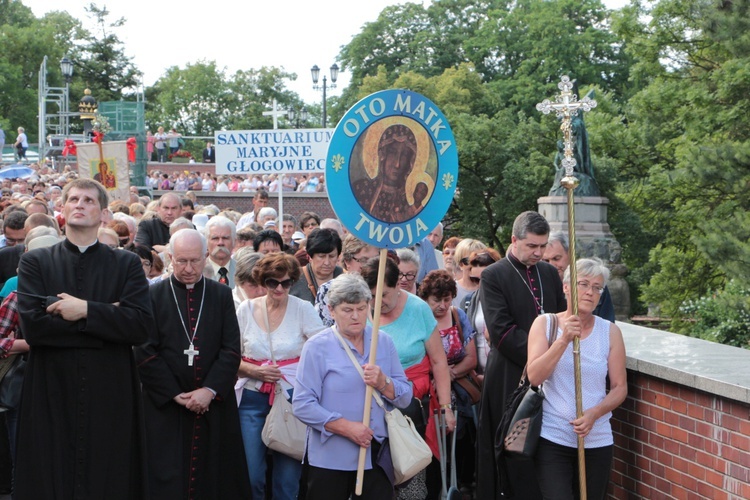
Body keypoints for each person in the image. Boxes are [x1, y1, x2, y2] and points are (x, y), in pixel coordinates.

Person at [15, 178, 154, 499]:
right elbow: (34, 328)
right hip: (51, 388)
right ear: (62, 209)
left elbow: (140, 325)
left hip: (110, 390)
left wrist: (83, 310)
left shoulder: (127, 263)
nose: (80, 204)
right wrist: (107, 316)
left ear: (104, 213)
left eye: (89, 200)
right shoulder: (35, 261)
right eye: (74, 199)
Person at [135, 229, 250, 498]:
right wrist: (176, 394)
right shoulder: (153, 296)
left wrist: (208, 390)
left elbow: (232, 350)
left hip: (213, 405)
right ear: (170, 258)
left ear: (206, 257)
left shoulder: (221, 295)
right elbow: (144, 350)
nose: (188, 269)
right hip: (165, 406)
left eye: (195, 261)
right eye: (181, 261)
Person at [293, 273, 413, 499]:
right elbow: (302, 404)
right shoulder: (317, 347)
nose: (356, 316)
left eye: (361, 308)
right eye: (348, 310)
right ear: (331, 310)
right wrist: (347, 428)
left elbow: (405, 396)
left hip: (376, 454)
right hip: (330, 457)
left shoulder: (383, 341)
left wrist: (383, 383)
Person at [476, 211, 566, 500]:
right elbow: (501, 331)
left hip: (550, 375)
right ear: (514, 240)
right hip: (510, 375)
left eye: (543, 246)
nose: (539, 253)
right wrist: (543, 355)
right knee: (511, 449)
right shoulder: (493, 275)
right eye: (532, 246)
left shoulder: (550, 273)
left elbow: (563, 317)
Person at [527, 258, 627, 499]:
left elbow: (619, 387)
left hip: (597, 438)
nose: (590, 292)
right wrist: (563, 340)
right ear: (566, 287)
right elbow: (534, 375)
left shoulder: (610, 332)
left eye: (597, 287)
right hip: (553, 436)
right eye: (583, 284)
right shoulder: (546, 324)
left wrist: (594, 413)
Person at [360, 256, 455, 499]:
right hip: (367, 400)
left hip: (411, 400)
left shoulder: (417, 308)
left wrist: (446, 406)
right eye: (371, 295)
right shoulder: (360, 309)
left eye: (384, 294)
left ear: (397, 286)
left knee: (409, 474)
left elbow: (438, 361)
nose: (377, 302)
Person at [235, 253, 324, 500]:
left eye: (286, 283)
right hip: (251, 398)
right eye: (273, 282)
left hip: (292, 399)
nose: (280, 288)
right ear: (263, 282)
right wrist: (254, 371)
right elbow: (229, 355)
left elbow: (323, 350)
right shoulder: (246, 309)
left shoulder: (303, 309)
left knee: (287, 480)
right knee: (252, 475)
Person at [418, 269, 478, 494]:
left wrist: (448, 373)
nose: (442, 305)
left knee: (461, 439)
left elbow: (471, 358)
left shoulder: (457, 316)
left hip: (458, 390)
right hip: (428, 390)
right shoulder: (420, 317)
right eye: (436, 300)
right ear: (425, 299)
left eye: (447, 299)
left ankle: (460, 484)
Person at [353, 124, 422, 223]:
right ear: (383, 155)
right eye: (393, 153)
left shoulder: (408, 201)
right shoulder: (363, 189)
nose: (397, 164)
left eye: (404, 156)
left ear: (410, 162)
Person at [543, 231, 616, 322]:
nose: (552, 265)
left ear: (570, 254)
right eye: (545, 261)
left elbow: (608, 322)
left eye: (556, 258)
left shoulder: (596, 285)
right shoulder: (538, 285)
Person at [314, 234, 378, 327]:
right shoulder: (328, 290)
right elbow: (322, 331)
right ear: (347, 261)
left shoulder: (386, 289)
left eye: (375, 259)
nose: (371, 265)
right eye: (364, 260)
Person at [460, 249, 502, 374]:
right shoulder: (468, 301)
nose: (480, 284)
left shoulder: (509, 300)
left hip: (502, 373)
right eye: (475, 280)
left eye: (485, 278)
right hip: (477, 374)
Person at [290, 228, 343, 305]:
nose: (327, 262)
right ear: (310, 257)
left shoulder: (345, 278)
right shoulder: (294, 278)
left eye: (332, 256)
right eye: (321, 256)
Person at [452, 238, 486, 307]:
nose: (473, 265)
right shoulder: (451, 290)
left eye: (479, 260)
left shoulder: (490, 289)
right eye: (468, 260)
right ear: (460, 264)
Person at [204, 215, 236, 287]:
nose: (220, 243)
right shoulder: (197, 272)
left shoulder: (242, 272)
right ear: (206, 242)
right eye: (215, 238)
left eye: (225, 238)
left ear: (234, 242)